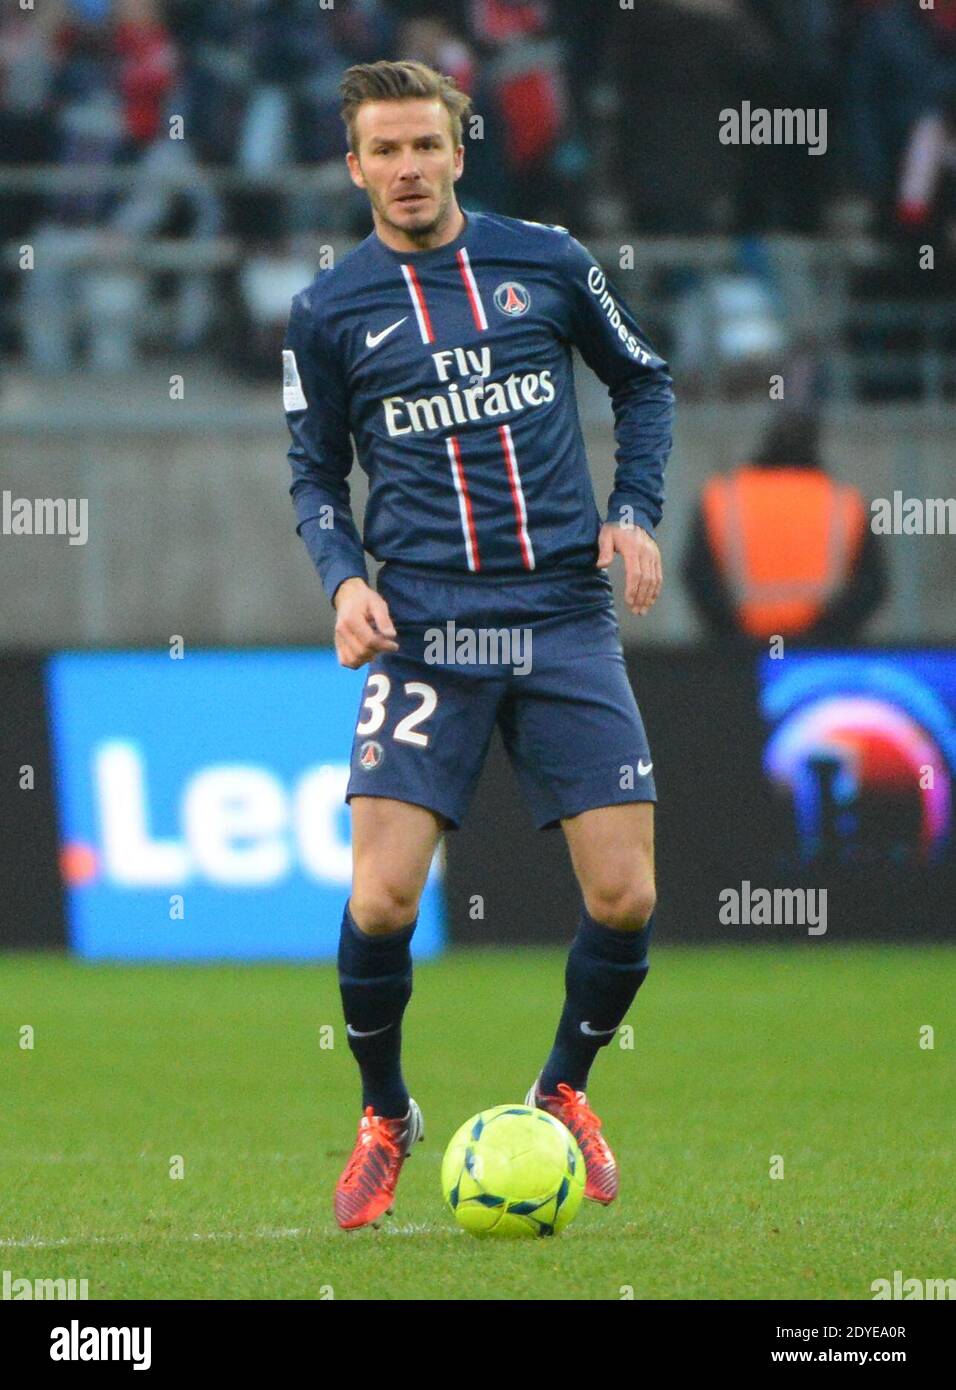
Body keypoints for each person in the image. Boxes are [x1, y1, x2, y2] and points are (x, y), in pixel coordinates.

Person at [282, 59, 675, 1231]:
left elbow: (641, 385)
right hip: (422, 630)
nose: (407, 169)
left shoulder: (545, 262)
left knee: (623, 895)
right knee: (384, 899)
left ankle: (561, 1087)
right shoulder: (328, 311)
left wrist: (634, 511)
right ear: (354, 167)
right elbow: (312, 474)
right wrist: (342, 579)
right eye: (383, 152)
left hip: (559, 613)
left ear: (460, 148)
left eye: (425, 146)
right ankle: (385, 1113)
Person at [682, 413, 887, 641]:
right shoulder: (845, 502)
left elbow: (697, 576)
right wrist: (829, 635)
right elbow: (872, 585)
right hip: (822, 653)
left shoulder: (723, 498)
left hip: (739, 652)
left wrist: (731, 632)